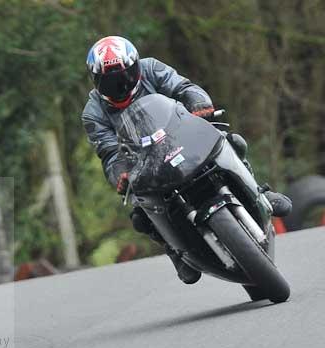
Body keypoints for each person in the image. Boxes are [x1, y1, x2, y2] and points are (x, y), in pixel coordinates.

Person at [81, 36, 292, 284]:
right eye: (111, 81)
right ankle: (175, 251)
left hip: (183, 137)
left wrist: (199, 103)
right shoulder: (93, 112)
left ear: (135, 67)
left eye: (125, 75)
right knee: (140, 215)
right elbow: (108, 151)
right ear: (97, 82)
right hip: (144, 163)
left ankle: (259, 193)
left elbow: (183, 87)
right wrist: (120, 173)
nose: (122, 85)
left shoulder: (151, 68)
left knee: (233, 141)